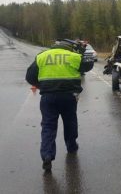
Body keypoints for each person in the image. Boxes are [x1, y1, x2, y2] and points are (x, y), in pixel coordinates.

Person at [25, 39, 94, 171]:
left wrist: (42, 86)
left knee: (48, 126)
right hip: (68, 96)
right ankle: (71, 147)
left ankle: (47, 155)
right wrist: (81, 50)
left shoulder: (42, 56)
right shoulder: (73, 56)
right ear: (68, 48)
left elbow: (29, 77)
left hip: (48, 97)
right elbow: (89, 65)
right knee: (70, 122)